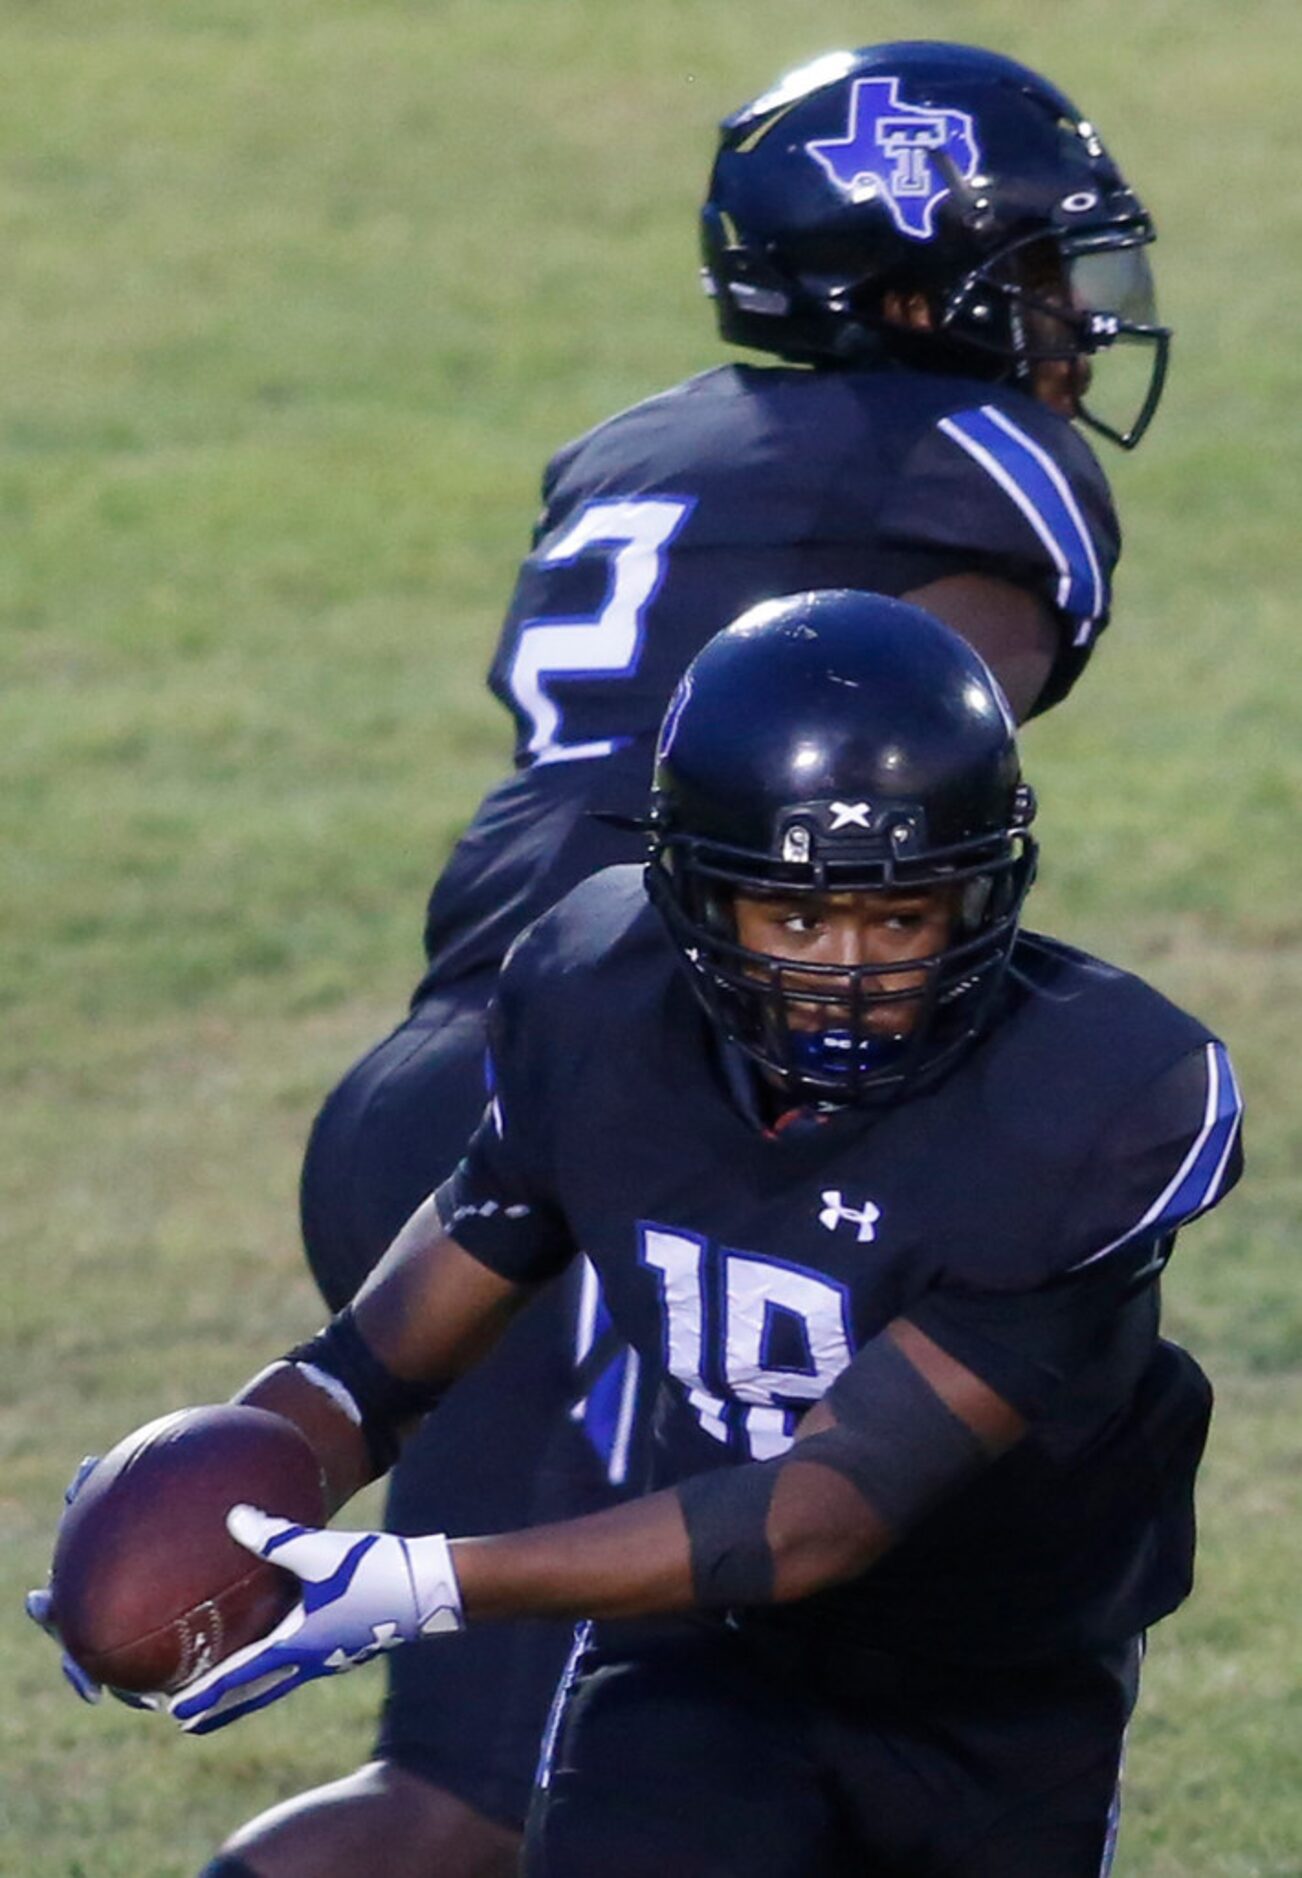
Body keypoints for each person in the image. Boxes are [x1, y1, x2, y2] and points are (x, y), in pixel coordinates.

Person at [163, 40, 1180, 1876]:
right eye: (1031, 277)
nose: (1072, 328)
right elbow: (906, 780)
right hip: (655, 1075)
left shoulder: (635, 443)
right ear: (903, 291)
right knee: (492, 1796)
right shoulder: (987, 463)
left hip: (468, 1052)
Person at [38, 593, 1243, 1878]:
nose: (851, 971)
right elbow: (373, 1368)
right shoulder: (597, 994)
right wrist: (195, 1519)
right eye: (796, 919)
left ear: (981, 893)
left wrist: (426, 1580)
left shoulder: (1098, 1097)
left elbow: (821, 1517)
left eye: (900, 919)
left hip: (998, 1686)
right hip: (701, 1655)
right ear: (700, 902)